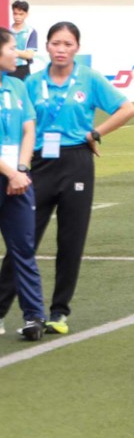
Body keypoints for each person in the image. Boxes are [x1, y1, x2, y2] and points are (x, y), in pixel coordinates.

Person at [0, 21, 134, 334]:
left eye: (68, 44)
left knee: (71, 240)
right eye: (55, 43)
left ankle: (58, 312)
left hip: (77, 161)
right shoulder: (31, 82)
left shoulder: (89, 78)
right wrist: (18, 165)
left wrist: (96, 133)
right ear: (47, 46)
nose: (61, 50)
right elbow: (23, 125)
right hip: (37, 164)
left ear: (77, 48)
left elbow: (127, 109)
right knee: (24, 239)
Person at [0, 27, 42, 341]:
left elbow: (29, 129)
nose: (17, 53)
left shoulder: (17, 85)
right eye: (12, 47)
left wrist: (21, 169)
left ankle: (33, 316)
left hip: (18, 177)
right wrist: (11, 172)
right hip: (10, 175)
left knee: (23, 248)